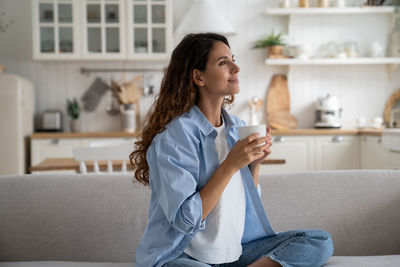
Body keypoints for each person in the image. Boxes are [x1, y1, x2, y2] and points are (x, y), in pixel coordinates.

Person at [130, 33, 334, 267]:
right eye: (223, 62)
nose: (236, 68)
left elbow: (241, 207)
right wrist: (230, 165)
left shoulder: (237, 127)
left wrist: (253, 166)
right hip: (181, 255)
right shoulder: (174, 138)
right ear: (198, 77)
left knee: (318, 241)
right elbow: (185, 221)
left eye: (233, 59)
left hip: (233, 253)